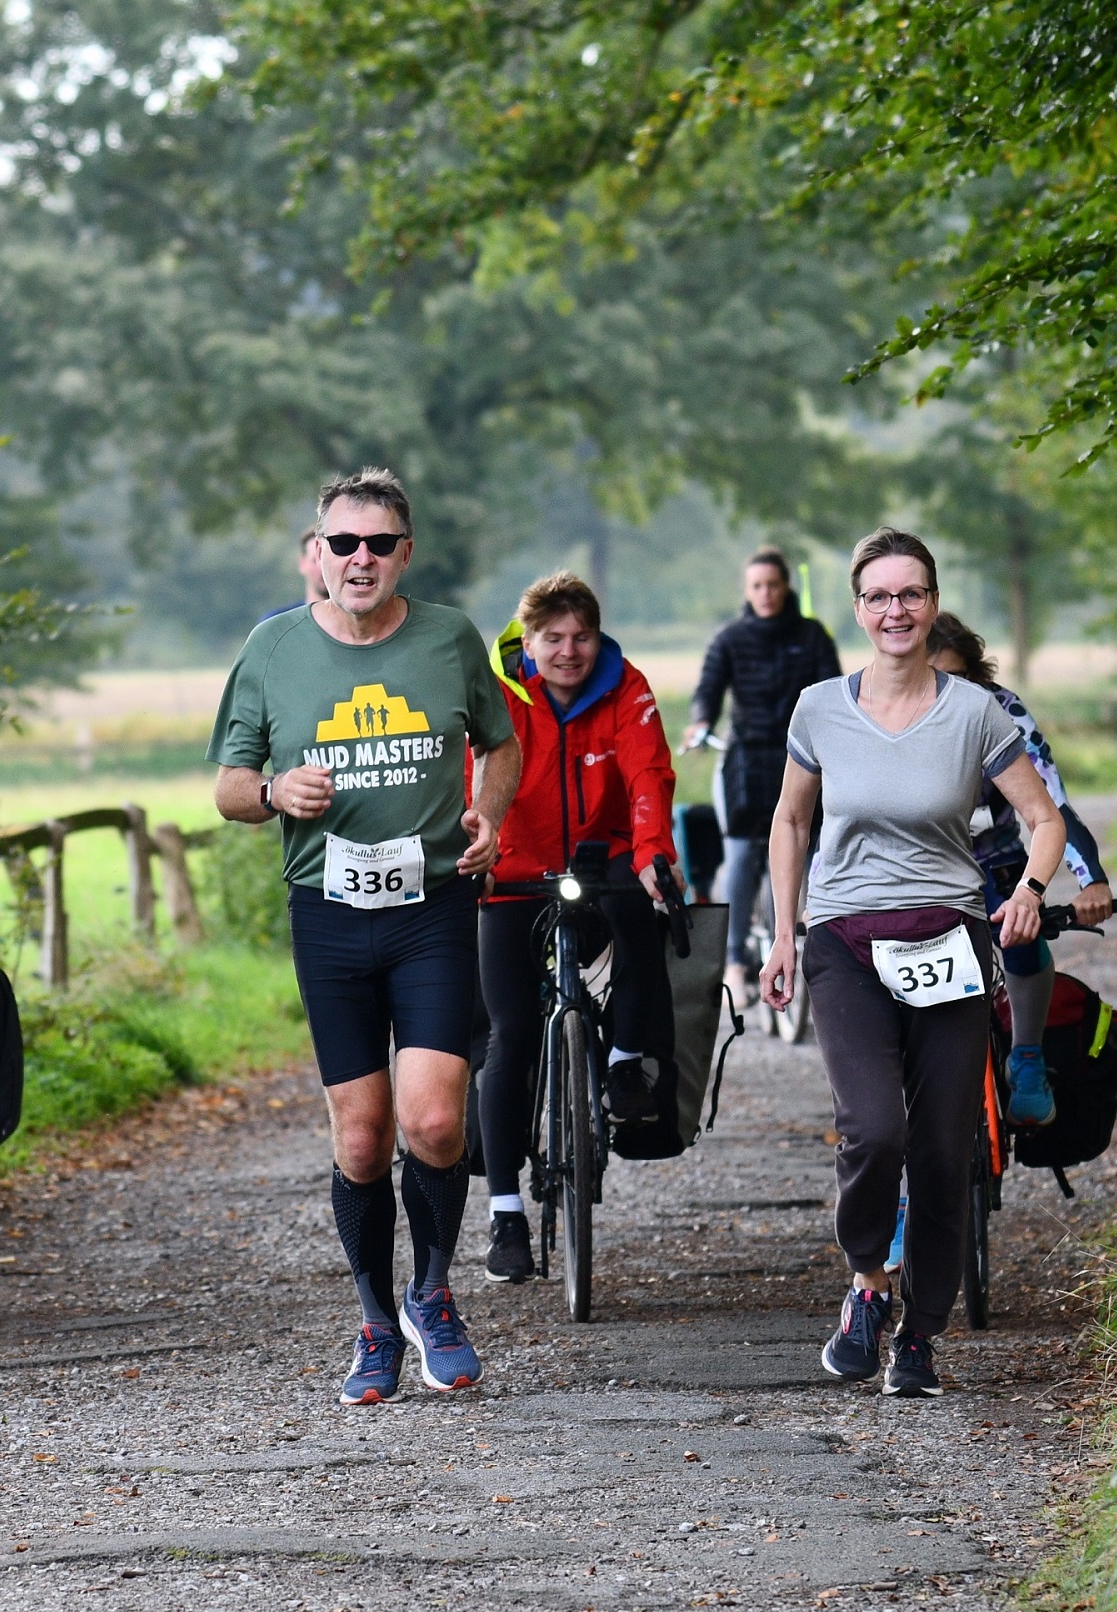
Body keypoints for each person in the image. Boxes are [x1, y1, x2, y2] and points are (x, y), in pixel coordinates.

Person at [209, 466, 522, 1404]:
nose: (360, 560)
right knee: (361, 1136)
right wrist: (272, 793)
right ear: (318, 550)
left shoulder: (450, 637)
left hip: (431, 906)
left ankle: (433, 1293)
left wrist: (486, 813)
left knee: (433, 1119)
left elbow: (500, 743)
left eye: (378, 544)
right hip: (331, 915)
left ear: (404, 554)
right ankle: (375, 1321)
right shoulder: (273, 650)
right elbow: (228, 787)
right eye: (343, 543)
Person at [760, 528, 1067, 1398]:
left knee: (943, 1145)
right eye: (879, 596)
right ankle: (866, 1285)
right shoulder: (820, 707)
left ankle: (921, 1334)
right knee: (874, 1129)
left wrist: (1032, 889)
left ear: (932, 603)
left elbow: (1042, 820)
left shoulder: (975, 713)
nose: (896, 610)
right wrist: (785, 932)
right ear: (858, 610)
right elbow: (790, 821)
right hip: (847, 941)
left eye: (912, 594)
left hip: (951, 941)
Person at [477, 572, 679, 1283]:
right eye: (553, 638)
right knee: (510, 1034)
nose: (569, 651)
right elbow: (465, 773)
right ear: (527, 640)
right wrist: (473, 850)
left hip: (604, 862)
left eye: (582, 636)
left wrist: (655, 855)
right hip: (511, 872)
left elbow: (649, 775)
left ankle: (625, 1063)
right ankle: (505, 1213)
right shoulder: (498, 691)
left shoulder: (627, 686)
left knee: (640, 917)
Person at [927, 614, 1114, 1124]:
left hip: (993, 860)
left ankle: (1026, 1056)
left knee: (1021, 928)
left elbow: (1052, 803)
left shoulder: (1002, 710)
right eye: (933, 679)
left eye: (959, 679)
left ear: (978, 676)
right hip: (917, 868)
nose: (947, 693)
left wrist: (1090, 878)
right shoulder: (883, 713)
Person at [686, 547, 841, 1006]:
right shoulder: (730, 639)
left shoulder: (812, 636)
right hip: (744, 761)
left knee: (811, 851)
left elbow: (832, 690)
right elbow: (708, 690)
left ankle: (806, 941)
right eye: (757, 586)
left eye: (773, 584)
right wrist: (700, 722)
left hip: (801, 761)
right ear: (746, 591)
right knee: (738, 855)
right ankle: (734, 960)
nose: (766, 593)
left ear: (785, 586)